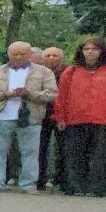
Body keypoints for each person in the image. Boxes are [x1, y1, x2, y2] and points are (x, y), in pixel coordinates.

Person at [0, 41, 57, 193]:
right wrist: (4, 95)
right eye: (15, 54)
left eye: (23, 54)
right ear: (9, 54)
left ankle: (28, 184)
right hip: (2, 115)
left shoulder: (44, 72)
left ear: (29, 55)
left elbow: (52, 94)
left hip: (31, 116)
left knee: (30, 151)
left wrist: (29, 94)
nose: (19, 57)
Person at [54, 38, 106, 197]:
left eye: (94, 49)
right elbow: (61, 96)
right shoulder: (70, 72)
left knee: (101, 157)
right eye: (86, 49)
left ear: (102, 51)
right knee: (74, 156)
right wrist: (60, 117)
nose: (90, 52)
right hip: (75, 120)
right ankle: (75, 187)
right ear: (81, 51)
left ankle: (96, 189)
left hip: (104, 121)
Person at [39, 45, 68, 192]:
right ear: (43, 59)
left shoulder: (69, 72)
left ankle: (63, 181)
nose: (51, 58)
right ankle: (40, 180)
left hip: (63, 114)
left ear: (62, 58)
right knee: (39, 148)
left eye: (54, 55)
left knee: (65, 148)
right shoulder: (37, 72)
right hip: (42, 113)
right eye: (48, 56)